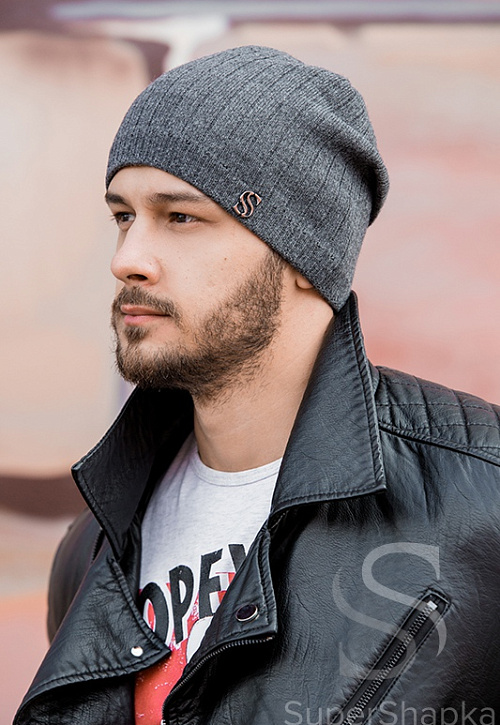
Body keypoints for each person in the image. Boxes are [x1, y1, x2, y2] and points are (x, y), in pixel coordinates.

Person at [15, 45, 500, 725]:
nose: (128, 259)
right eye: (124, 216)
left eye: (180, 217)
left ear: (302, 251)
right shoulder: (92, 549)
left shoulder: (481, 502)